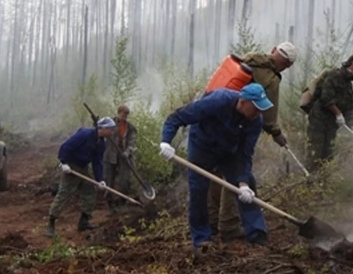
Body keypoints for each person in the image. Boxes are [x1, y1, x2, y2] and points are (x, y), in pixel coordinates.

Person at [159, 83, 272, 253]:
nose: (259, 113)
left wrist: (242, 184)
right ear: (243, 102)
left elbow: (245, 154)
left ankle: (256, 234)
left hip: (228, 152)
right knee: (198, 190)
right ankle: (201, 239)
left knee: (249, 184)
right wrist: (166, 141)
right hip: (202, 147)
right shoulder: (217, 101)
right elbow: (178, 117)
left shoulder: (255, 121)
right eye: (256, 108)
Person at [208, 41, 297, 241]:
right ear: (289, 65)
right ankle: (228, 226)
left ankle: (211, 221)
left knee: (214, 171)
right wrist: (277, 133)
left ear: (274, 50)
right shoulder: (271, 79)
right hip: (237, 127)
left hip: (216, 119)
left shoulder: (249, 59)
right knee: (235, 173)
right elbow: (267, 115)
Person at [45, 117, 116, 237]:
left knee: (89, 192)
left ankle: (84, 222)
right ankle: (51, 225)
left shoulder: (101, 143)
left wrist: (100, 180)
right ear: (103, 128)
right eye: (111, 129)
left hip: (83, 168)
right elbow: (66, 146)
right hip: (71, 167)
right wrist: (63, 162)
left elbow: (97, 162)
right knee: (64, 193)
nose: (112, 132)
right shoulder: (85, 134)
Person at [306, 54, 353, 169]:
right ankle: (310, 182)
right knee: (315, 152)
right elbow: (326, 98)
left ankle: (323, 181)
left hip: (331, 125)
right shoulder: (334, 76)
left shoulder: (348, 84)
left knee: (328, 154)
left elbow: (350, 108)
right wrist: (338, 113)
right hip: (319, 121)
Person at [103, 105, 137, 212]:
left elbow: (132, 143)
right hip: (110, 155)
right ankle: (110, 203)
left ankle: (122, 202)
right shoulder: (109, 123)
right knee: (109, 180)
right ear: (118, 113)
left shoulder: (130, 128)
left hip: (124, 157)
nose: (125, 117)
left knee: (125, 181)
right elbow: (99, 130)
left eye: (126, 115)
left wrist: (127, 152)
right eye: (123, 114)